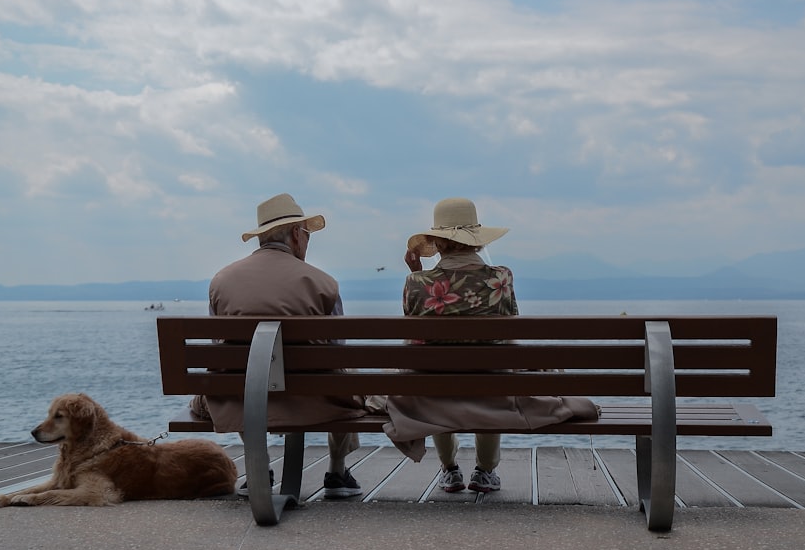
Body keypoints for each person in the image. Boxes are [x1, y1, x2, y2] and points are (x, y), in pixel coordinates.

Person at [384, 197, 600, 493]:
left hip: (432, 393)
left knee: (431, 378)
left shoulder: (416, 282)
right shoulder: (501, 277)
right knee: (496, 373)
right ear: (477, 241)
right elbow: (510, 332)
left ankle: (449, 469)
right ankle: (485, 470)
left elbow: (415, 338)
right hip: (493, 390)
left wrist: (416, 273)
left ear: (438, 242)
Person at [188, 193, 369, 499]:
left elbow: (218, 346)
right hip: (315, 400)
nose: (308, 241)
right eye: (308, 234)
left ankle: (259, 467)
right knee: (344, 374)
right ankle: (337, 471)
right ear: (297, 235)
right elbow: (338, 349)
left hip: (238, 400)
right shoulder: (323, 283)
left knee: (238, 375)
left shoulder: (222, 281)